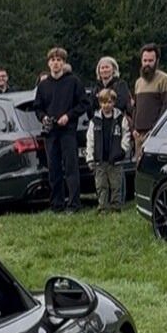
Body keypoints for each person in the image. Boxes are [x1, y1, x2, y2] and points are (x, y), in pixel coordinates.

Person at [35, 47, 88, 214]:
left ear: (64, 63)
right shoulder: (43, 85)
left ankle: (74, 204)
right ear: (48, 63)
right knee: (54, 169)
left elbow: (83, 104)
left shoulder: (73, 82)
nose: (56, 63)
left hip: (68, 131)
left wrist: (69, 116)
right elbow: (38, 108)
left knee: (71, 168)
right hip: (51, 133)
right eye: (53, 60)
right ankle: (57, 204)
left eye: (59, 60)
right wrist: (43, 117)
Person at [85, 89, 132, 214]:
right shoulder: (94, 121)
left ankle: (116, 207)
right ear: (100, 103)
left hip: (115, 160)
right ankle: (103, 207)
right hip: (100, 160)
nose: (106, 105)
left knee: (116, 185)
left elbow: (126, 135)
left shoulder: (120, 119)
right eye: (103, 102)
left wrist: (123, 150)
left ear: (114, 102)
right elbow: (90, 140)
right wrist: (90, 158)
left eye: (109, 102)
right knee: (101, 185)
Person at [132, 43, 167, 160]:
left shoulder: (165, 80)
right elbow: (135, 107)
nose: (147, 64)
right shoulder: (138, 82)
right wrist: (133, 128)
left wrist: (155, 130)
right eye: (145, 60)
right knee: (139, 167)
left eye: (150, 60)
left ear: (157, 61)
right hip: (139, 136)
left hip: (156, 135)